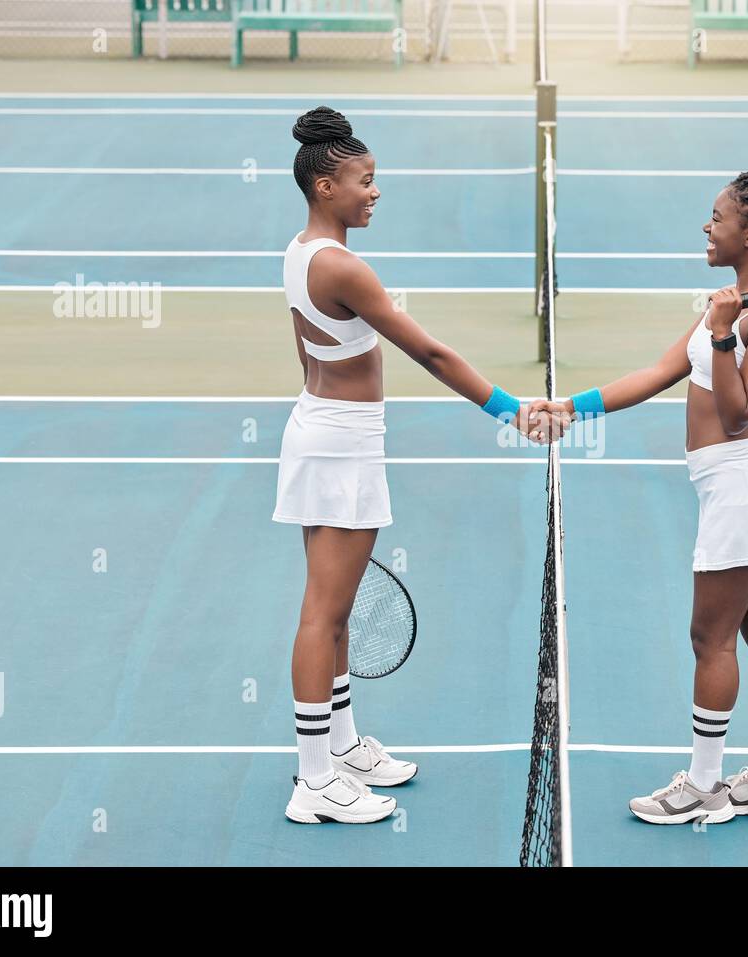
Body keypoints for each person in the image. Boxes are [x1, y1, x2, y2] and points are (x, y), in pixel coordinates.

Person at [277, 107, 567, 825]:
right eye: (364, 182)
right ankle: (313, 779)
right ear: (324, 186)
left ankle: (340, 745)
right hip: (340, 445)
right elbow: (431, 352)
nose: (374, 193)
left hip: (321, 432)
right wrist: (513, 408)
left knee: (334, 609)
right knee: (323, 611)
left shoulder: (300, 250)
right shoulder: (345, 267)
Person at [538, 162, 748, 825]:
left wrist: (726, 333)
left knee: (712, 638)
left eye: (719, 216)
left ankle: (706, 786)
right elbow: (657, 371)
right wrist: (568, 408)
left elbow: (737, 414)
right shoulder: (729, 306)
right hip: (733, 485)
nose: (707, 226)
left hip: (739, 486)